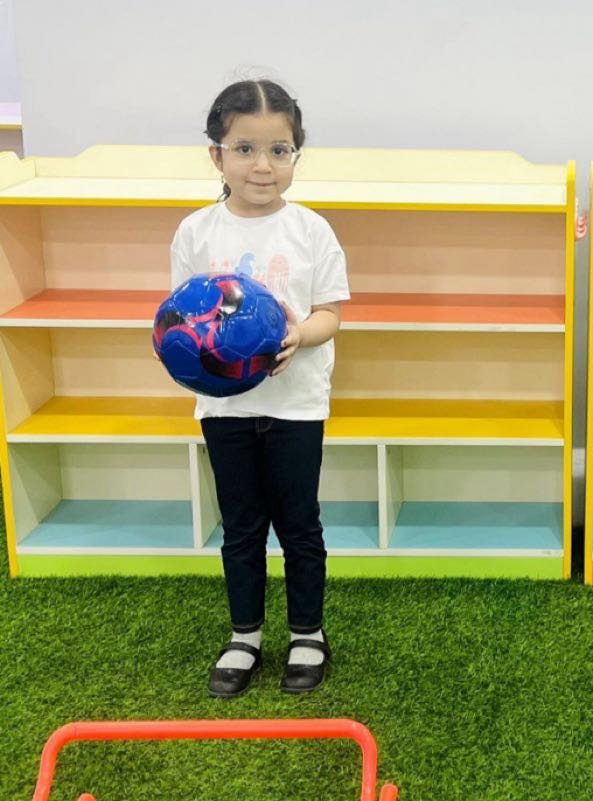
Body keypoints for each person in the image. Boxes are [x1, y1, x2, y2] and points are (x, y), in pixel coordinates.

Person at [169, 79, 350, 696]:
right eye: (244, 149)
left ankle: (308, 634)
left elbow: (329, 313)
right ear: (216, 155)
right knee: (242, 526)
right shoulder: (196, 232)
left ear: (296, 154)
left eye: (279, 150)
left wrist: (302, 334)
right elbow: (181, 321)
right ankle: (244, 637)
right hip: (224, 409)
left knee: (299, 524)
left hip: (296, 406)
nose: (263, 165)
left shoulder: (311, 230)